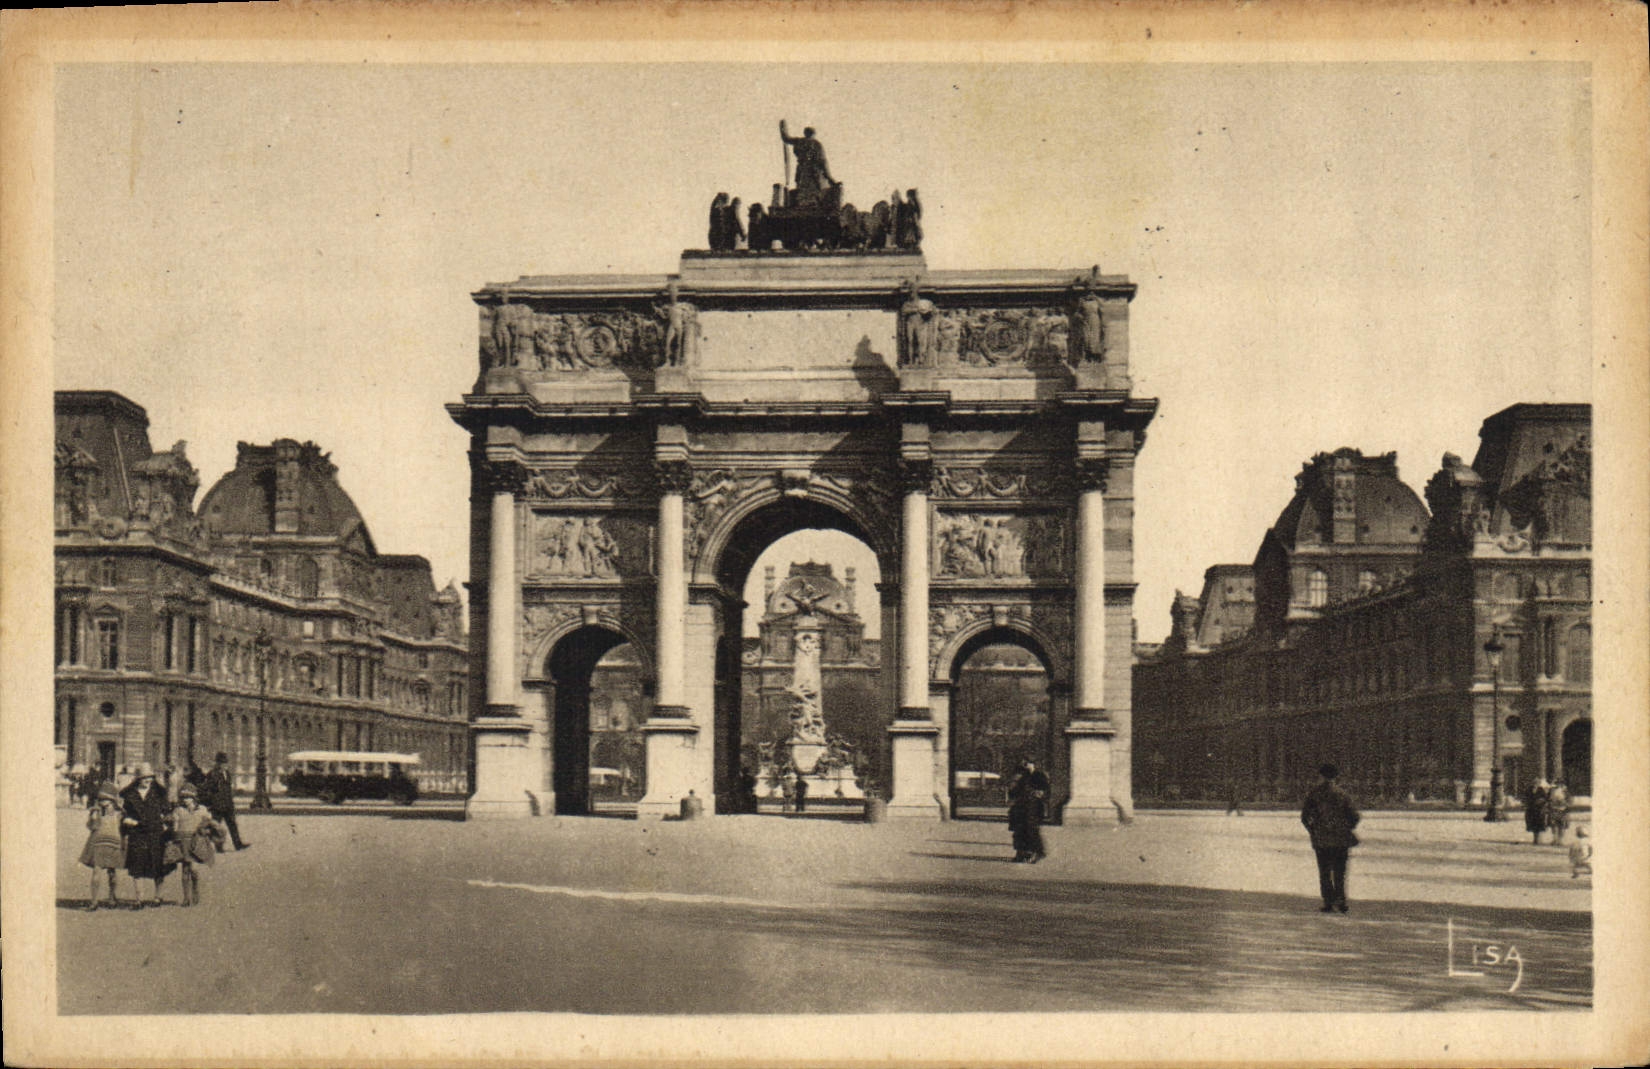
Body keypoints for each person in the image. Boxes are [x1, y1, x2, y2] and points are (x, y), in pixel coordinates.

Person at [1301, 763, 1360, 913]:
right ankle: (1341, 901)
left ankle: (1328, 902)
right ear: (1336, 777)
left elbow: (1304, 817)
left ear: (1321, 776)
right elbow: (1355, 816)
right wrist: (1347, 828)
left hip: (1322, 839)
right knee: (1340, 872)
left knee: (1325, 871)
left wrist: (1313, 830)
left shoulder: (1314, 794)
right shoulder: (1343, 794)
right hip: (1341, 839)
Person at [120, 762, 176, 907]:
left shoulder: (159, 793)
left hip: (156, 834)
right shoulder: (130, 795)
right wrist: (129, 821)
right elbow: (124, 814)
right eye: (144, 778)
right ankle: (139, 899)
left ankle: (158, 897)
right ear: (138, 779)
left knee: (158, 866)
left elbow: (167, 812)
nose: (147, 780)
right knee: (137, 866)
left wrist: (166, 824)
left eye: (150, 777)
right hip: (137, 833)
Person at [168, 783, 222, 907]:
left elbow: (210, 823)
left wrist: (207, 830)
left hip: (196, 841)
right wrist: (174, 833)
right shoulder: (178, 810)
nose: (186, 800)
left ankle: (195, 889)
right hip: (183, 842)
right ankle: (186, 897)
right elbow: (175, 828)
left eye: (188, 797)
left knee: (194, 869)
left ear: (194, 798)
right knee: (185, 870)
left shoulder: (202, 810)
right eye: (183, 798)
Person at [79, 783, 127, 910]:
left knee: (112, 872)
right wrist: (93, 818)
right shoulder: (97, 812)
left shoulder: (119, 813)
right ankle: (94, 901)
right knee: (97, 870)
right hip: (99, 843)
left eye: (105, 799)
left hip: (113, 843)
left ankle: (111, 897)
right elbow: (92, 827)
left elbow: (123, 829)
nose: (102, 802)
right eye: (101, 799)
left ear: (112, 800)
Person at [1007, 758, 1051, 863]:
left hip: (1034, 807)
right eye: (1024, 764)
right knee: (1019, 831)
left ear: (1033, 764)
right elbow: (1014, 790)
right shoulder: (1023, 776)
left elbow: (1045, 791)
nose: (1025, 766)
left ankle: (1038, 852)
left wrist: (1038, 793)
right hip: (1021, 807)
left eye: (1027, 763)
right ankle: (1022, 853)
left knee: (1032, 831)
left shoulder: (1039, 775)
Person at [202, 752, 248, 851]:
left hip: (227, 804)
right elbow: (207, 788)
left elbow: (227, 789)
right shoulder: (212, 774)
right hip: (217, 805)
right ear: (217, 763)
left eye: (225, 763)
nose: (224, 765)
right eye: (222, 763)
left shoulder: (227, 773)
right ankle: (218, 846)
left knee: (233, 825)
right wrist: (212, 800)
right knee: (216, 827)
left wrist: (234, 795)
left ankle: (238, 844)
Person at [779, 121, 835, 199]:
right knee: (816, 193)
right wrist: (829, 178)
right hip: (814, 172)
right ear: (814, 134)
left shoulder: (799, 141)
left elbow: (786, 138)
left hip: (801, 171)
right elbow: (823, 161)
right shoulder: (816, 144)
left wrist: (782, 126)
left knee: (801, 191)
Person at [1524, 780, 1550, 845]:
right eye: (1534, 783)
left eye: (1536, 783)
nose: (1535, 784)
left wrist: (1541, 801)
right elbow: (1525, 798)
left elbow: (1545, 798)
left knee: (1539, 824)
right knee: (1533, 825)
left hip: (1539, 810)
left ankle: (1539, 839)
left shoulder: (1541, 790)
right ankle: (1535, 839)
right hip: (1531, 810)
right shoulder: (1529, 789)